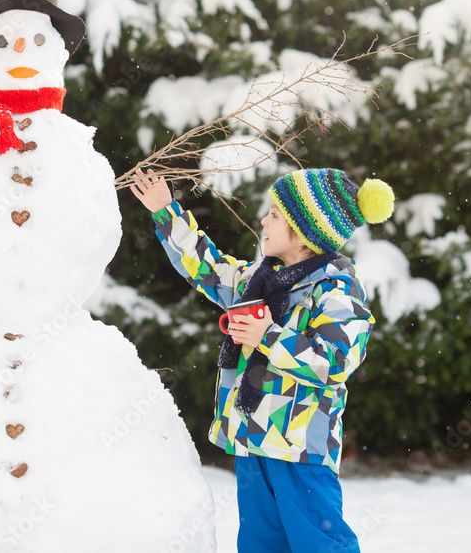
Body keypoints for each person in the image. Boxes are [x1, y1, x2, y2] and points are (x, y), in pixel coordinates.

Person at [131, 167, 394, 553]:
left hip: (300, 447)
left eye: (274, 214)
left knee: (319, 543)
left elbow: (336, 361)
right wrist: (166, 211)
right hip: (254, 441)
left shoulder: (336, 291)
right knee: (260, 544)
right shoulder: (259, 279)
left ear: (304, 233)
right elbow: (208, 269)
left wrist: (268, 336)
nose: (263, 220)